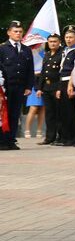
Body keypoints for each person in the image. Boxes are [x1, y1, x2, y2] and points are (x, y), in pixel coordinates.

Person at [1, 21, 35, 150]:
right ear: (9, 32)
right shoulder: (2, 48)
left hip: (19, 87)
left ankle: (11, 140)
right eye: (15, 31)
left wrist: (28, 86)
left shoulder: (26, 50)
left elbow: (30, 70)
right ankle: (2, 140)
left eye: (20, 31)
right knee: (4, 113)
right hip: (5, 87)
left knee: (15, 114)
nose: (18, 34)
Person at [58, 26, 75, 147]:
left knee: (72, 111)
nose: (68, 39)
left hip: (71, 81)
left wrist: (71, 85)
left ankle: (74, 137)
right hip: (62, 81)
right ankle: (65, 136)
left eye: (71, 37)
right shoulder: (64, 50)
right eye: (66, 37)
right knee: (64, 111)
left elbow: (74, 69)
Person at [36, 33, 63, 145]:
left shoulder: (62, 54)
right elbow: (43, 72)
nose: (52, 43)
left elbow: (62, 73)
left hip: (56, 87)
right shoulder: (47, 54)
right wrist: (39, 88)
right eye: (50, 41)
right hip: (47, 88)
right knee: (49, 114)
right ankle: (49, 137)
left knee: (59, 113)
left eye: (55, 41)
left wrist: (60, 88)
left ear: (59, 42)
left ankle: (60, 137)